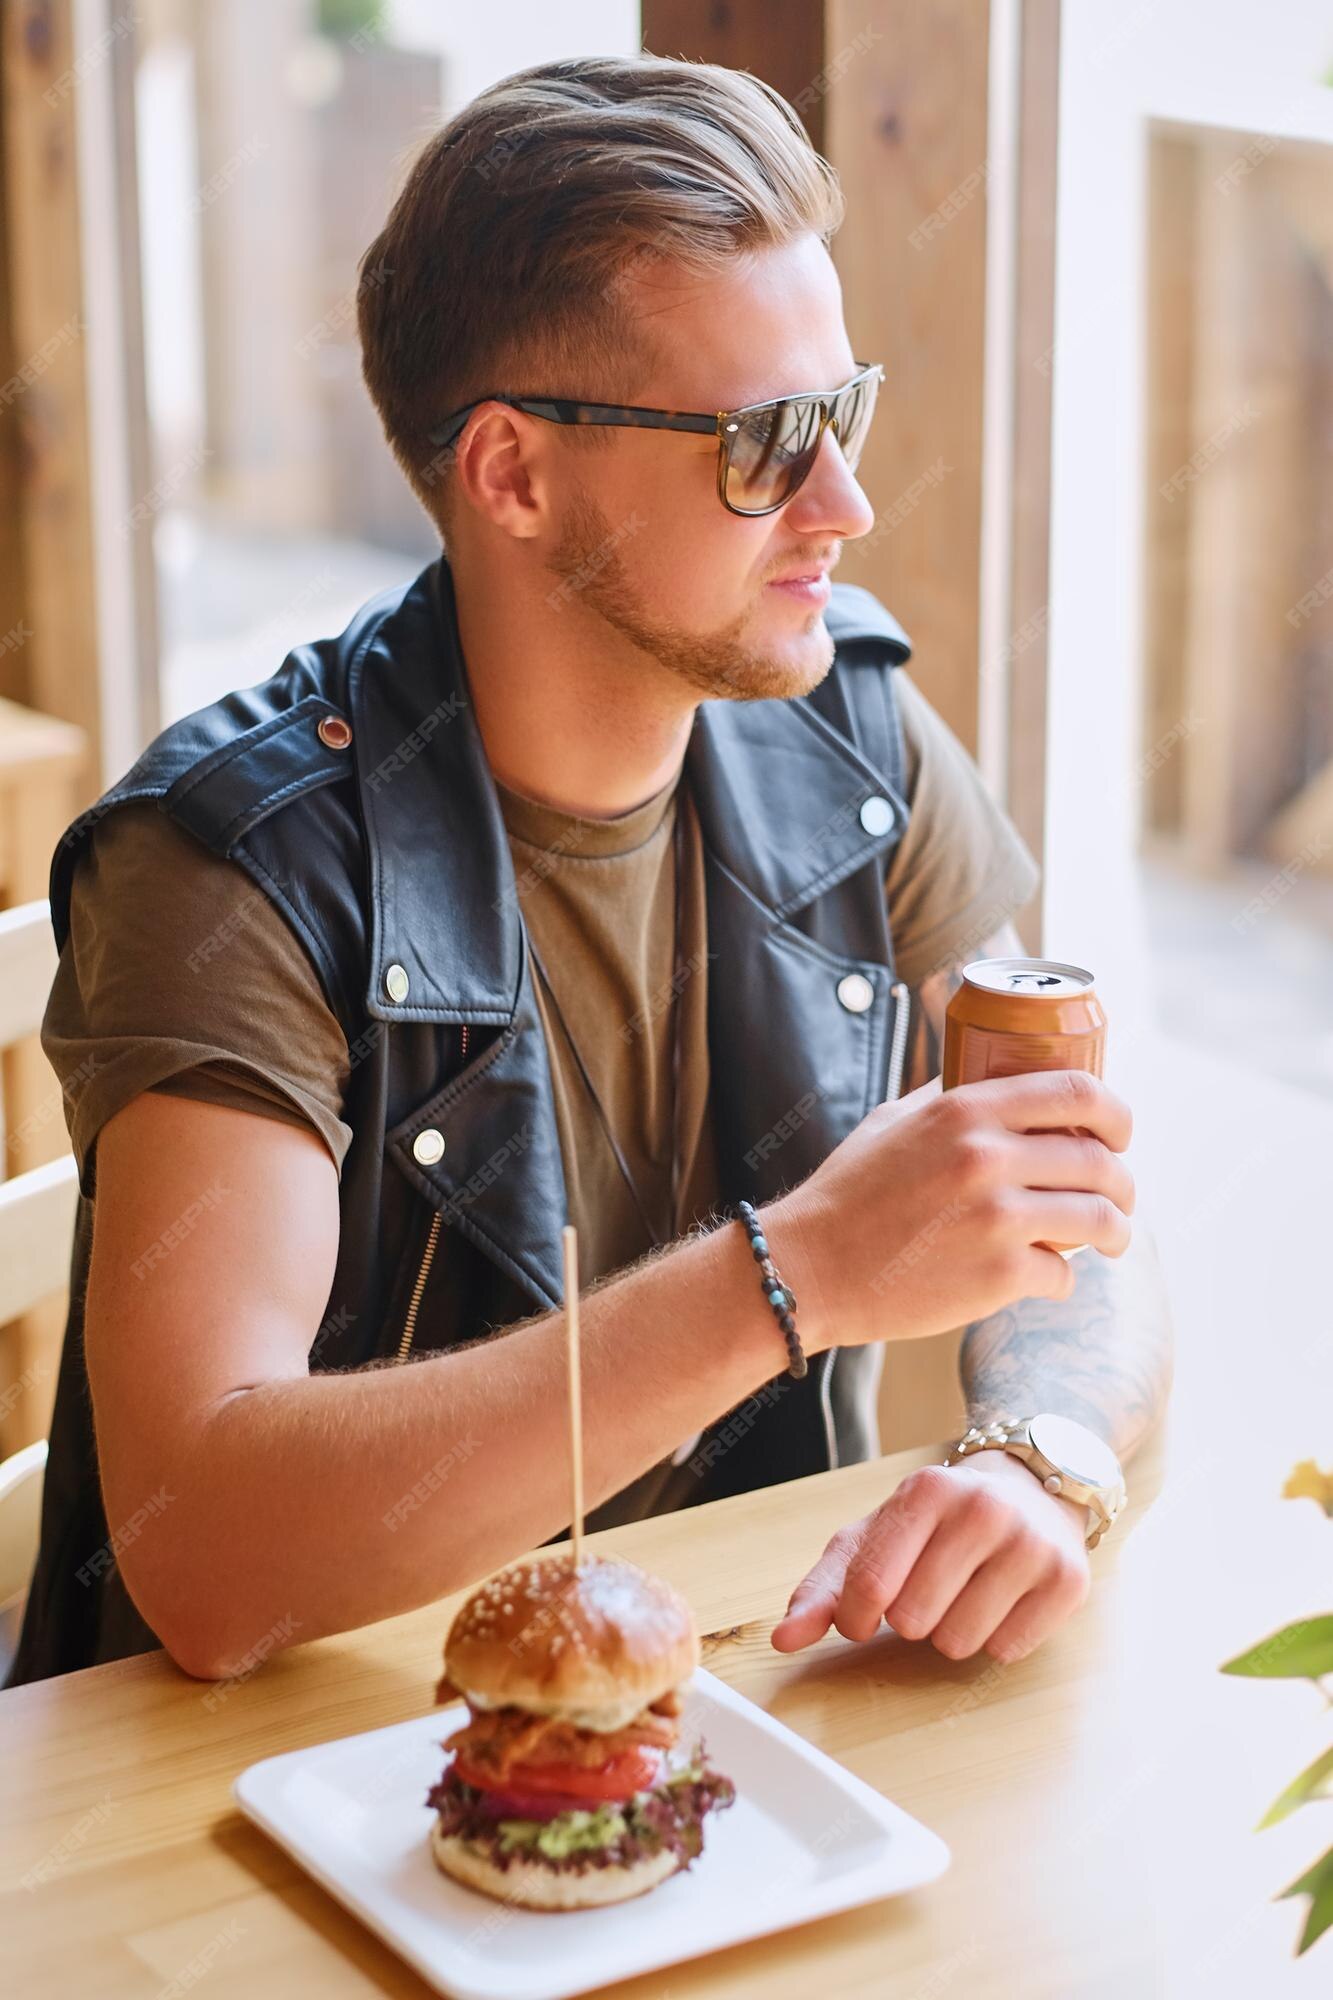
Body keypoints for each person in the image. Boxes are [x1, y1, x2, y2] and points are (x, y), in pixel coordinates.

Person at [6, 53, 1172, 1690]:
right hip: (284, 1792)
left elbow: (1065, 1197)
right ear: (512, 475)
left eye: (843, 411)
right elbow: (207, 1554)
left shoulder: (853, 732)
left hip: (729, 1706)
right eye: (766, 441)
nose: (843, 503)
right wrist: (802, 1274)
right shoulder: (237, 863)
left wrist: (1042, 1450)